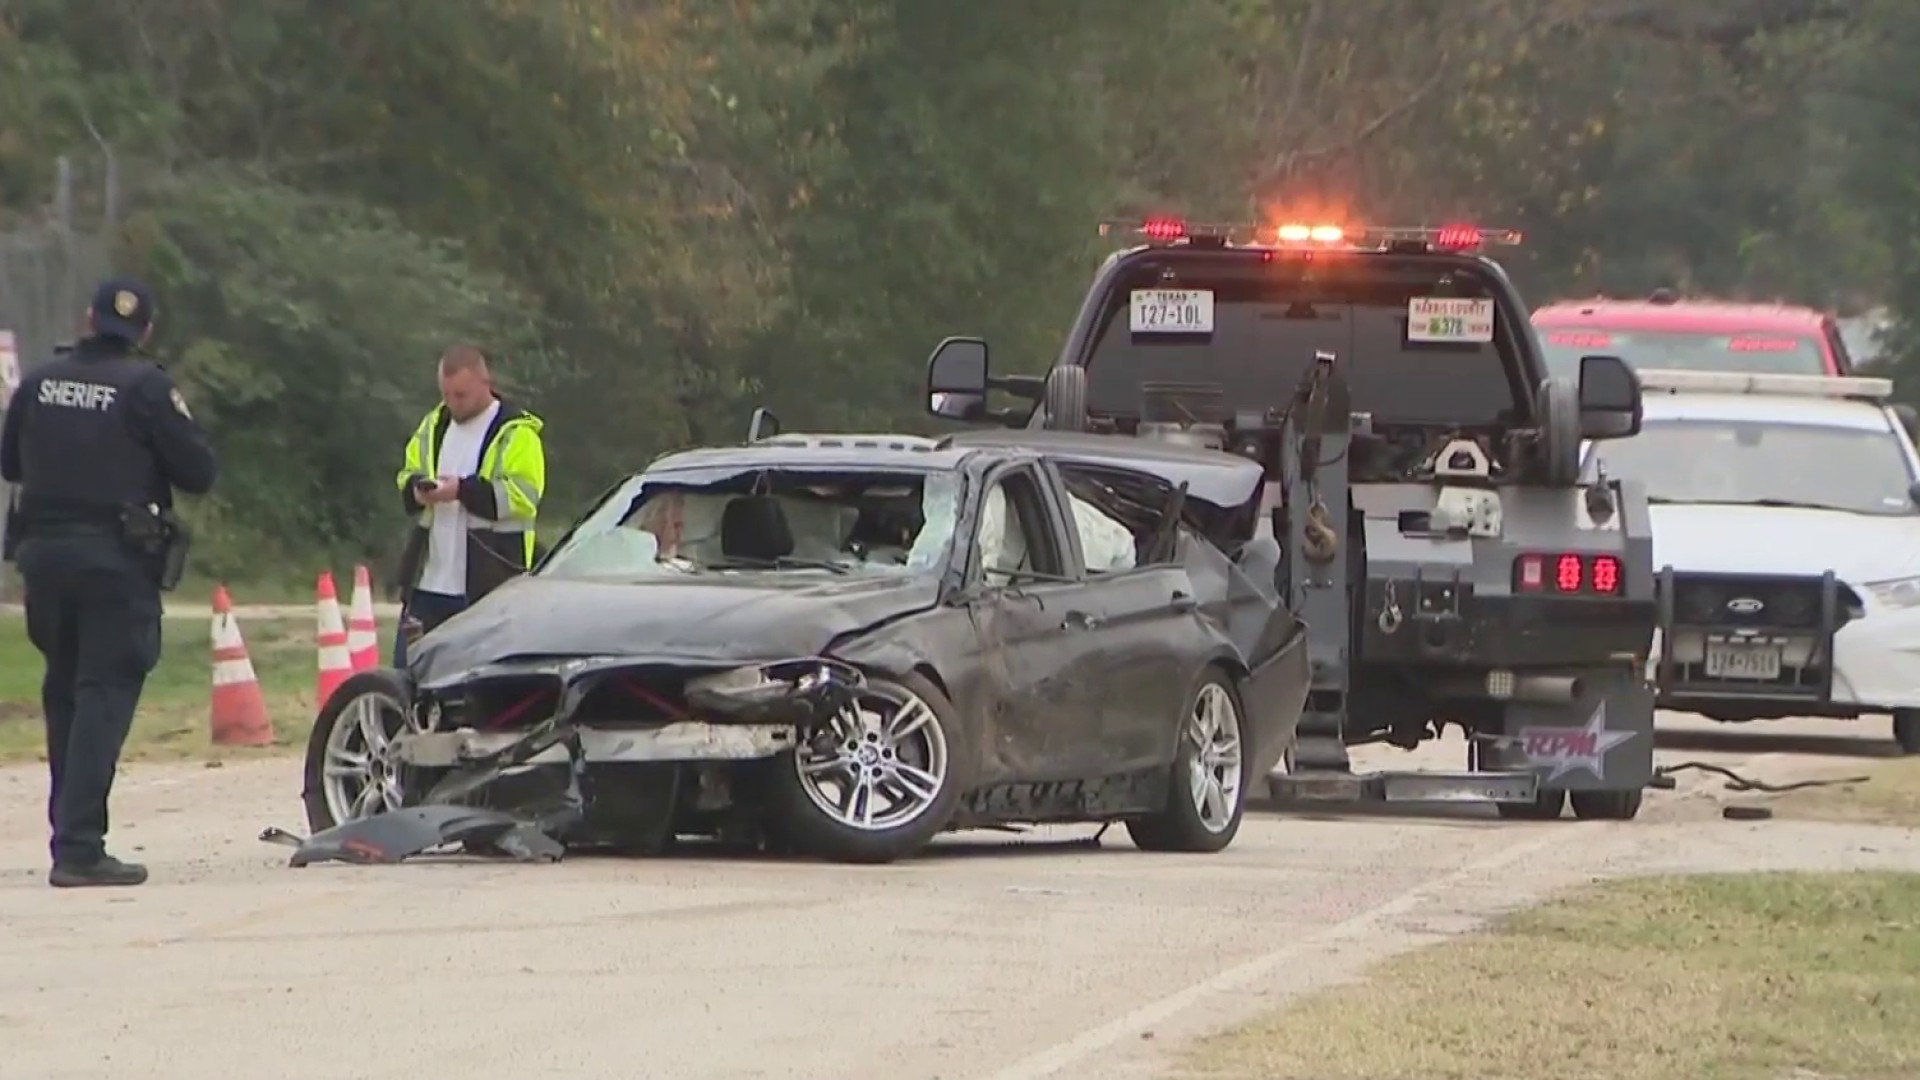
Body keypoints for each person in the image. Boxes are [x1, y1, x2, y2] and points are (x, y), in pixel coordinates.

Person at [0, 278, 216, 888]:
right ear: (143, 331)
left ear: (86, 318)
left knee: (64, 691)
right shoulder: (147, 387)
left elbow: (9, 462)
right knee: (102, 693)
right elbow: (198, 471)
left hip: (42, 558)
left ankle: (67, 834)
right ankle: (79, 846)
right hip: (113, 563)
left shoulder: (40, 380)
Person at [391, 345, 546, 665]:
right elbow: (407, 472)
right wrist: (417, 490)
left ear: (484, 383)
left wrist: (462, 490)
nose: (451, 402)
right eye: (445, 394)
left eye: (460, 395)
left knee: (476, 687)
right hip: (428, 582)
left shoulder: (517, 433)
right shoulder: (433, 425)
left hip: (488, 584)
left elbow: (522, 497)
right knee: (406, 677)